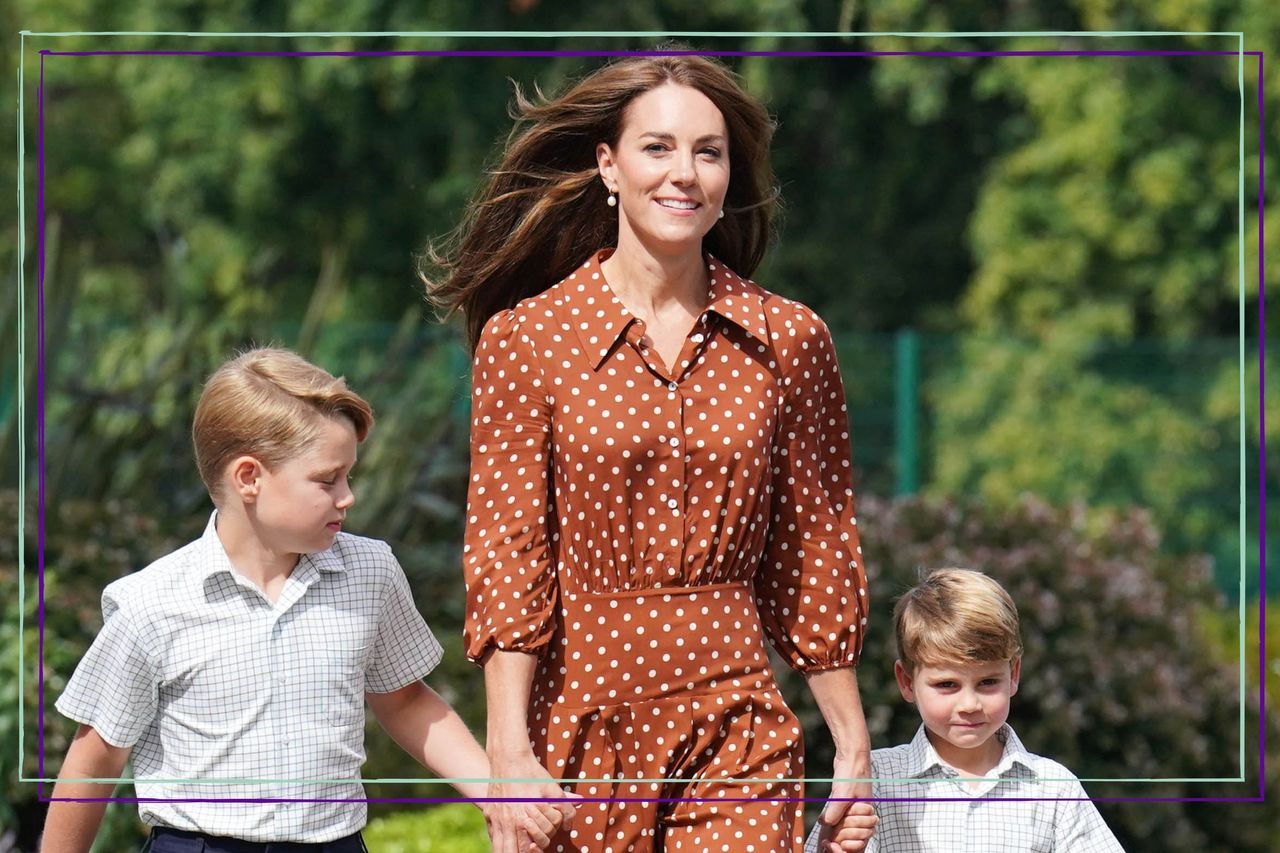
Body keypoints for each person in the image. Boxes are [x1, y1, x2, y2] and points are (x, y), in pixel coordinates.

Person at [423, 53, 874, 852]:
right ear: (609, 165)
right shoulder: (528, 340)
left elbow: (813, 549)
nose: (686, 173)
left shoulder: (791, 340)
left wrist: (852, 745)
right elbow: (508, 550)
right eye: (657, 148)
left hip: (740, 724)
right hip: (578, 724)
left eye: (709, 151)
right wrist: (507, 753)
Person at [42, 347, 571, 853]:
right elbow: (96, 758)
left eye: (349, 475)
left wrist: (497, 793)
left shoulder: (370, 570)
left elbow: (405, 701)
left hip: (333, 845)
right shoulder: (150, 604)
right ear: (249, 477)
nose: (348, 496)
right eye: (327, 480)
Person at [807, 568, 1126, 853]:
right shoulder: (872, 778)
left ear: (1013, 675)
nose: (970, 704)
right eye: (947, 685)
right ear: (906, 682)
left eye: (987, 682)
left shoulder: (1054, 788)